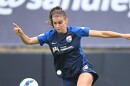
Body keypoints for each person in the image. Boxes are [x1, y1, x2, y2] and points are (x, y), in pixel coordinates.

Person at [13, 6, 130, 86]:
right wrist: (21, 34)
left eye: (60, 22)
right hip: (67, 76)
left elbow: (101, 33)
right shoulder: (49, 36)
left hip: (83, 69)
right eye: (55, 23)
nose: (58, 26)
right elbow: (28, 41)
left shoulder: (75, 31)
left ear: (66, 20)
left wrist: (123, 35)